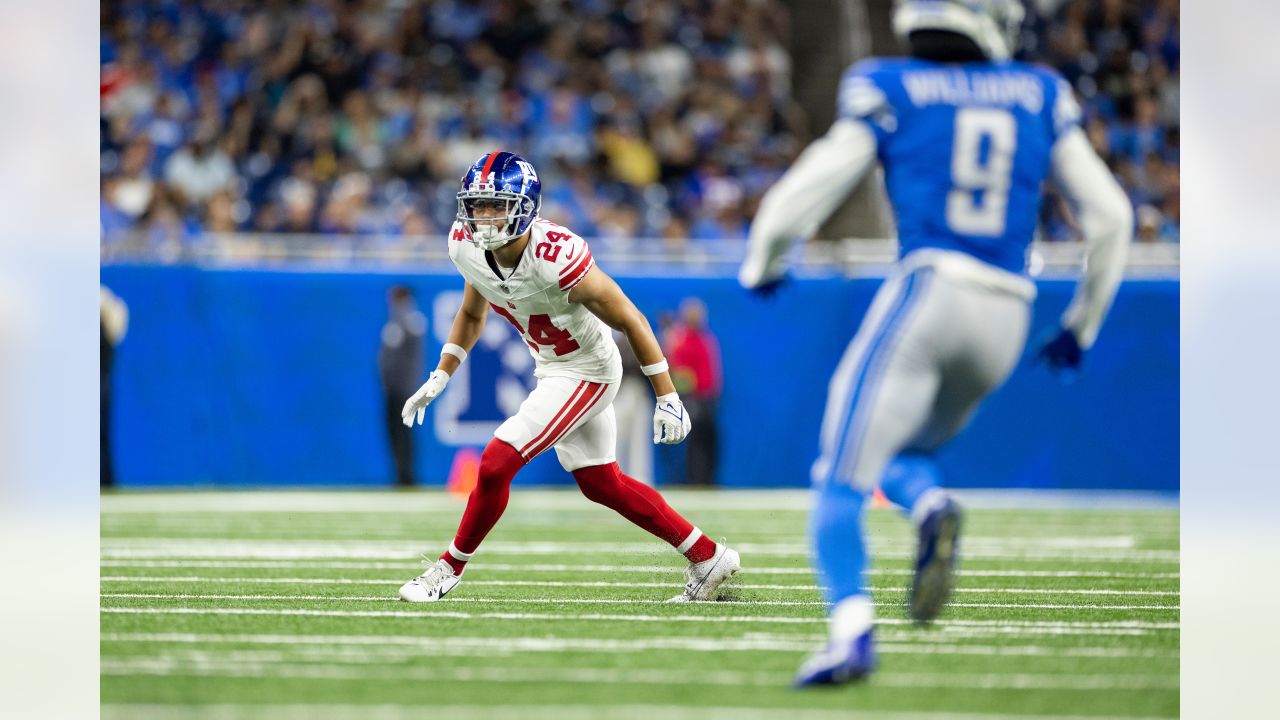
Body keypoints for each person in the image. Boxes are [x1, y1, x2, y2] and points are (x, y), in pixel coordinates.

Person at [739, 0, 1132, 686]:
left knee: (838, 472)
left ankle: (852, 631)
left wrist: (764, 262)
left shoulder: (890, 83)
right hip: (1009, 311)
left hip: (930, 289)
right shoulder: (1041, 90)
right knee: (906, 451)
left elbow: (804, 190)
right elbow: (1110, 218)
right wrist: (1081, 328)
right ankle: (930, 505)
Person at [399, 151, 740, 603]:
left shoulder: (556, 256)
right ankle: (707, 555)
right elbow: (471, 310)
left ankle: (448, 569)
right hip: (553, 368)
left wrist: (668, 395)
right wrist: (442, 374)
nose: (483, 217)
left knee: (497, 461)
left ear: (525, 206)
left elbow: (632, 318)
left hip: (588, 369)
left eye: (495, 205)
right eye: (477, 205)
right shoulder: (466, 245)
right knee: (601, 483)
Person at [667, 298, 722, 486]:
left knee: (709, 442)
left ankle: (707, 479)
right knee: (696, 443)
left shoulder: (706, 338)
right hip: (694, 399)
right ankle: (696, 480)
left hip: (709, 399)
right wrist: (691, 393)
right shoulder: (680, 341)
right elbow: (680, 375)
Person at [378, 285, 426, 487]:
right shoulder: (397, 321)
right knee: (394, 432)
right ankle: (400, 474)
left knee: (403, 432)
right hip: (393, 386)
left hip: (404, 387)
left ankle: (407, 477)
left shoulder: (410, 320)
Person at [101, 286, 129, 488]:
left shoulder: (106, 305)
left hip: (100, 382)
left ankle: (106, 481)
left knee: (101, 436)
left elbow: (117, 326)